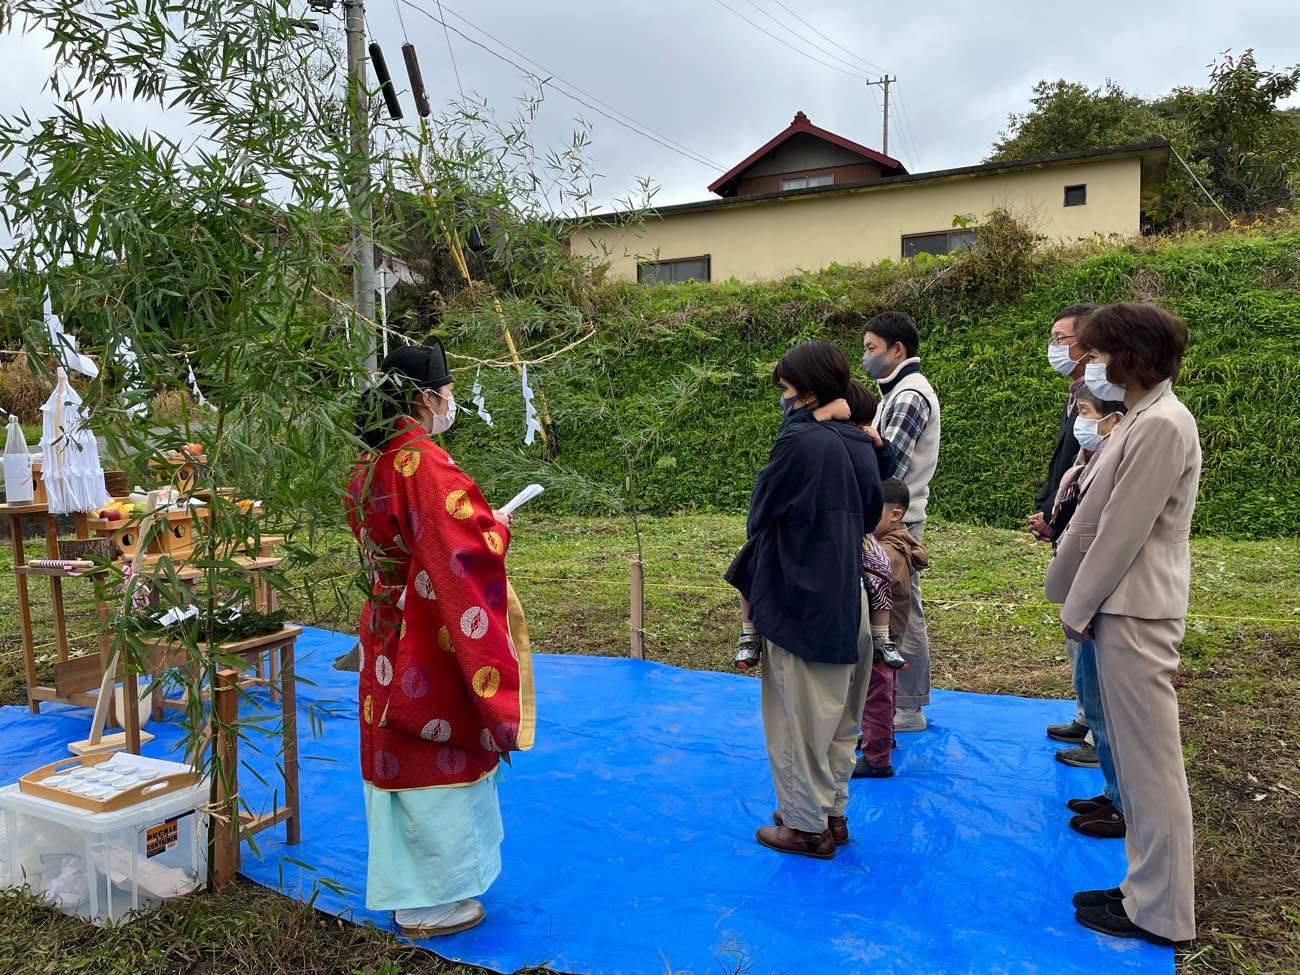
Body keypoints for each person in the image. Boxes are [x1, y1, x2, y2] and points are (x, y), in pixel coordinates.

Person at [345, 343, 535, 938]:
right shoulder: (420, 460)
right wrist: (494, 530)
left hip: (387, 618)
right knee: (436, 743)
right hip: (426, 627)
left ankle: (410, 889)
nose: (450, 403)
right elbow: (458, 545)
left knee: (396, 743)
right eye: (448, 393)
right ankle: (431, 899)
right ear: (426, 397)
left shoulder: (370, 457)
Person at [1045, 302, 1202, 945]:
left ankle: (1161, 910)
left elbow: (1121, 531)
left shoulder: (1163, 423)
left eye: (1101, 353)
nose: (1091, 365)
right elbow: (1093, 513)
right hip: (1122, 604)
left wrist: (1076, 607)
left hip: (1136, 608)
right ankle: (1143, 887)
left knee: (1148, 766)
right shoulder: (1141, 416)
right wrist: (1069, 591)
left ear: (1131, 357)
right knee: (1135, 768)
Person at [725, 340, 883, 860]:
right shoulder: (859, 443)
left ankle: (803, 826)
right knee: (841, 719)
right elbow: (870, 513)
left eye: (788, 391)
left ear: (809, 393)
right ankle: (831, 813)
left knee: (798, 721)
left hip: (799, 595)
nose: (784, 402)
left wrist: (800, 424)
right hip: (846, 592)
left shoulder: (799, 442)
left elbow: (761, 512)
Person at [1050, 389, 1131, 839]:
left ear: (1113, 419)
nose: (1080, 422)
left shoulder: (1144, 440)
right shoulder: (1093, 456)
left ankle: (1124, 802)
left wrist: (1082, 604)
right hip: (1082, 591)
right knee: (1089, 690)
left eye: (1084, 413)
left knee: (1106, 701)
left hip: (1100, 598)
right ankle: (1115, 791)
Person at [861, 312, 940, 733]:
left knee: (902, 608)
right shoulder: (894, 391)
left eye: (872, 348)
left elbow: (890, 468)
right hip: (886, 518)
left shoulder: (909, 395)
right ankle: (899, 702)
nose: (865, 357)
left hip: (894, 519)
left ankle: (907, 706)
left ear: (898, 350)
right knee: (894, 605)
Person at [1033, 303, 1099, 755]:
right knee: (1074, 628)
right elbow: (1064, 464)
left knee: (1090, 630)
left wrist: (1062, 521)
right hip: (1067, 525)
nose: (1055, 348)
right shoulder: (1077, 392)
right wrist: (1050, 514)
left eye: (1062, 339)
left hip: (1086, 531)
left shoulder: (1105, 396)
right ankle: (1085, 715)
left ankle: (1099, 729)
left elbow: (1093, 473)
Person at [856, 477, 928, 779]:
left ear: (895, 515)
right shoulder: (898, 541)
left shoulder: (887, 552)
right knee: (886, 688)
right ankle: (883, 736)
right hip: (890, 633)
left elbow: (878, 592)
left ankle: (877, 757)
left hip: (880, 633)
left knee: (876, 693)